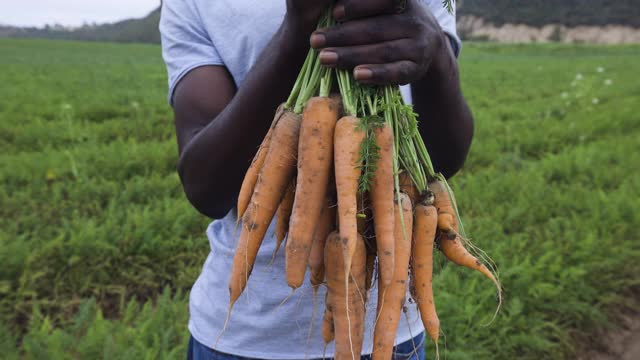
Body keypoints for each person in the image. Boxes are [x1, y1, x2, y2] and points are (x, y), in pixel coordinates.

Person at [159, 0, 474, 359]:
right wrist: (296, 38)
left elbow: (442, 161)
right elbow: (206, 189)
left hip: (390, 332)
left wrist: (436, 55)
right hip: (242, 338)